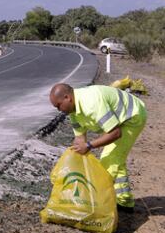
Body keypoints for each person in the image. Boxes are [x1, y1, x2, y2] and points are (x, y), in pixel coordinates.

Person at [49, 83, 147, 213]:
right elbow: (79, 138)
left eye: (58, 105)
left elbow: (115, 133)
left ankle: (101, 201)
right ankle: (124, 201)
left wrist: (89, 146)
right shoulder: (73, 111)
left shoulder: (91, 104)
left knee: (109, 159)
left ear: (68, 98)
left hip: (132, 117)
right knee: (116, 159)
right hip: (118, 121)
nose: (59, 110)